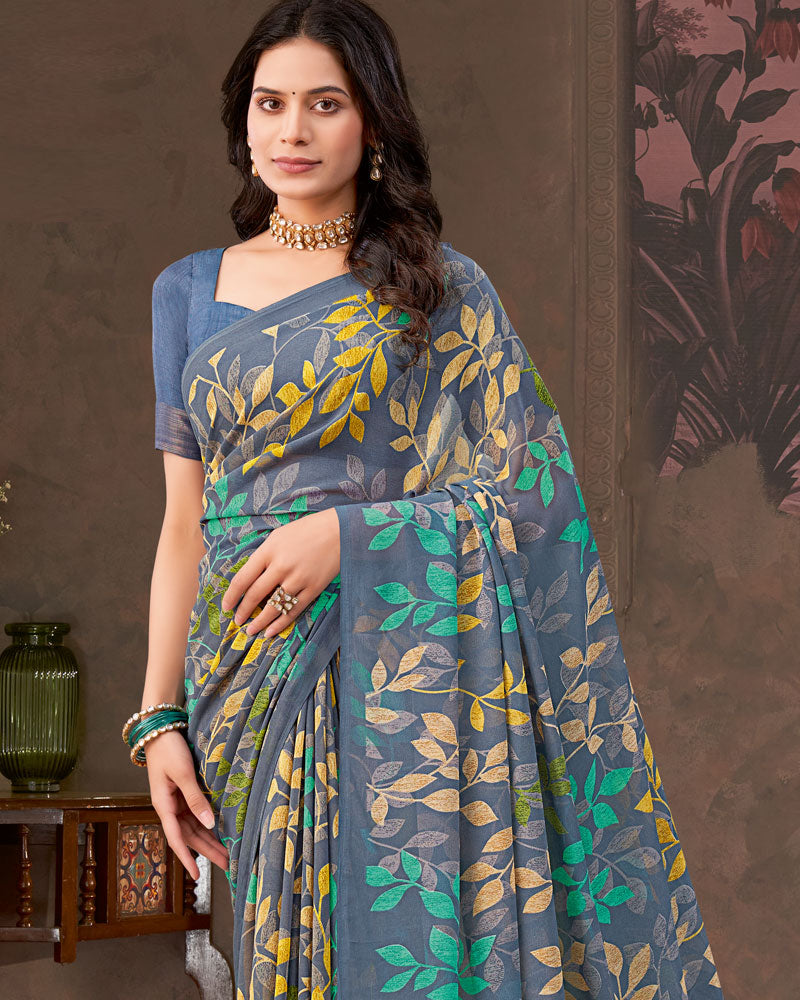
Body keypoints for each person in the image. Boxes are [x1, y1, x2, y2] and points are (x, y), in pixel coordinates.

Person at [126, 1, 726, 997]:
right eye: (270, 103)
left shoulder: (437, 288)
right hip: (246, 674)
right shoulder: (187, 293)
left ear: (372, 124)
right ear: (243, 120)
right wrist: (159, 719)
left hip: (394, 670)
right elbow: (183, 521)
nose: (292, 130)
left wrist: (351, 538)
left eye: (325, 103)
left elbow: (529, 492)